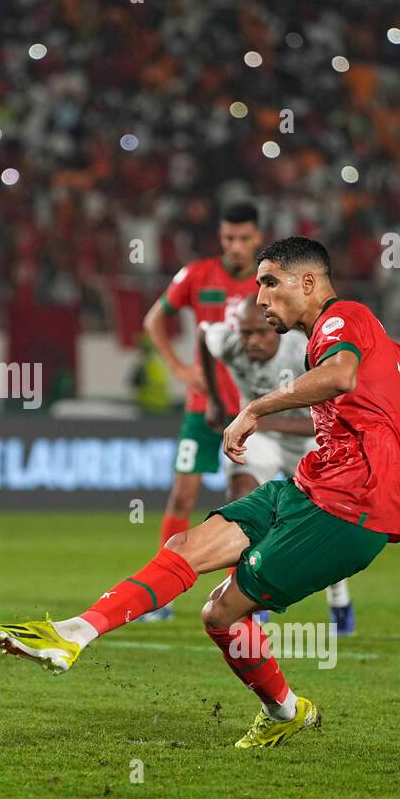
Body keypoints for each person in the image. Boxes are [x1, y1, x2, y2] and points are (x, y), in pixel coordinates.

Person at [0, 237, 400, 749]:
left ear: (307, 282)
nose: (260, 297)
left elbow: (339, 376)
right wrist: (394, 432)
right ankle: (74, 633)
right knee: (183, 548)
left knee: (221, 611)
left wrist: (255, 409)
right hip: (307, 488)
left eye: (269, 282)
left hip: (347, 514)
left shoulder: (341, 317)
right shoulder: (384, 346)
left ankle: (283, 710)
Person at [199, 297, 356, 634]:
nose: (251, 341)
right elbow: (203, 334)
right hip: (263, 437)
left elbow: (334, 418)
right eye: (245, 333)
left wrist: (265, 421)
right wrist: (213, 397)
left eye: (259, 333)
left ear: (277, 331)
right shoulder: (230, 343)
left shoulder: (305, 353)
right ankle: (249, 596)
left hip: (313, 439)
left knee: (328, 523)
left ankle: (339, 598)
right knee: (242, 494)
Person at [139, 202, 264, 621]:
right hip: (203, 410)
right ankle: (162, 594)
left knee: (245, 503)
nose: (236, 246)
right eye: (229, 238)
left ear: (258, 238)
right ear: (220, 237)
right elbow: (154, 319)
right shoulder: (196, 275)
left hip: (250, 411)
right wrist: (178, 369)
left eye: (244, 238)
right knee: (182, 494)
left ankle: (244, 595)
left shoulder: (269, 281)